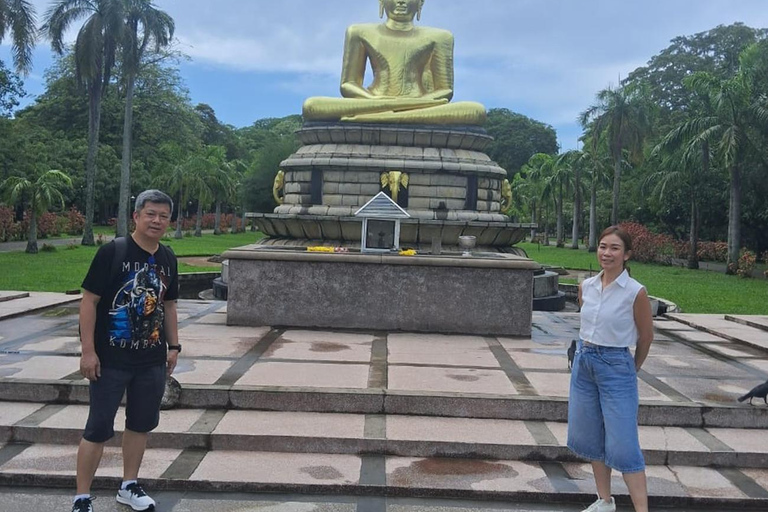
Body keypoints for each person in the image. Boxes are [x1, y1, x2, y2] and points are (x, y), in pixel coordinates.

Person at [72, 190, 180, 512]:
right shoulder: (113, 252)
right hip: (110, 361)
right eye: (150, 214)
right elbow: (88, 302)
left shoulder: (168, 257)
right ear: (136, 216)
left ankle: (128, 485)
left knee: (140, 424)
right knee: (98, 427)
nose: (157, 220)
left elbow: (169, 305)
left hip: (150, 361)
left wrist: (174, 346)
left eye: (163, 216)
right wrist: (88, 351)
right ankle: (81, 497)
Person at [567, 226, 654, 512]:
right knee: (592, 436)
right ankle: (604, 500)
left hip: (616, 365)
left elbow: (645, 336)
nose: (607, 253)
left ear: (627, 254)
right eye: (603, 246)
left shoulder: (635, 292)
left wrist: (632, 368)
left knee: (624, 443)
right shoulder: (587, 286)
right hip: (584, 363)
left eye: (615, 248)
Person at [302, 0, 486, 125]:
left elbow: (445, 90)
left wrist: (415, 102)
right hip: (372, 101)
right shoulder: (358, 32)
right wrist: (375, 101)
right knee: (311, 106)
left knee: (476, 111)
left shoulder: (440, 37)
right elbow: (347, 84)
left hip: (419, 104)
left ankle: (377, 117)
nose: (401, 1)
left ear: (421, 2)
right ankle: (390, 113)